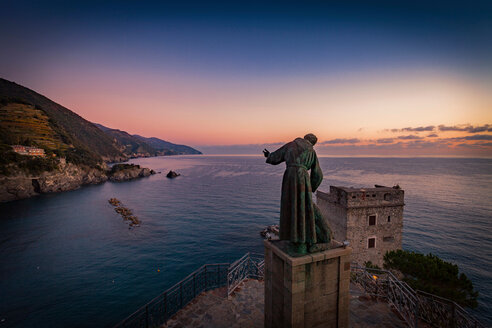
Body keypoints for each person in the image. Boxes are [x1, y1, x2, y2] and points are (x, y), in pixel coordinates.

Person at [263, 133, 330, 254]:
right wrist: (310, 189)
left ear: (305, 138)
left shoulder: (291, 145)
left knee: (290, 205)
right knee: (303, 208)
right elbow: (318, 175)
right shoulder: (312, 152)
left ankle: (291, 236)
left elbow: (276, 156)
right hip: (303, 179)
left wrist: (269, 155)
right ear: (313, 143)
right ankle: (302, 239)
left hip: (289, 177)